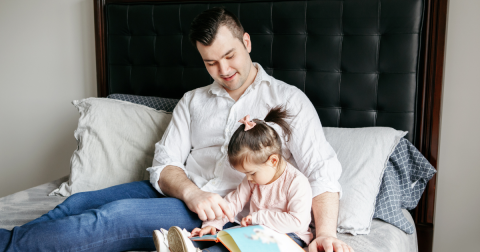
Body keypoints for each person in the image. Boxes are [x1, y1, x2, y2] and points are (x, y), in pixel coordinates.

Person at [0, 7, 353, 252]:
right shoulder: (192, 100)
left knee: (112, 218)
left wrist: (324, 234)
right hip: (183, 194)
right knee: (77, 202)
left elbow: (322, 174)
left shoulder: (288, 100)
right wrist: (190, 192)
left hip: (220, 211)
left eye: (230, 55)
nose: (223, 69)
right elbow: (165, 162)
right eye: (211, 62)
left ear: (246, 42)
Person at [154, 107, 313, 252]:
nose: (248, 179)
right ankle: (188, 245)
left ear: (273, 161)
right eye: (245, 174)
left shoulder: (297, 183)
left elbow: (297, 220)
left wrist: (258, 217)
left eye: (251, 173)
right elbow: (233, 202)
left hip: (291, 236)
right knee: (226, 239)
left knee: (245, 246)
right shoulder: (253, 179)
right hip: (259, 230)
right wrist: (213, 225)